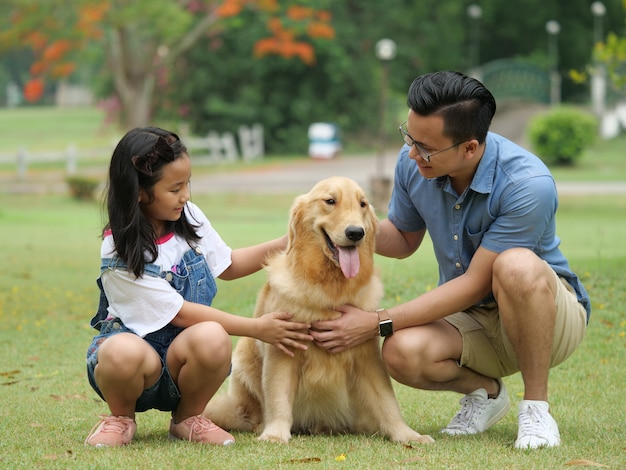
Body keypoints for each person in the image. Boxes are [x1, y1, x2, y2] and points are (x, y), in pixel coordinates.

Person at [309, 71, 590, 449]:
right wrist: (336, 226)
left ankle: (536, 409)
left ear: (469, 148)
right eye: (409, 137)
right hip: (473, 317)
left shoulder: (527, 184)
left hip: (547, 316)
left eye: (424, 147)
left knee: (515, 266)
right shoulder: (414, 163)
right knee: (399, 351)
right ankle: (486, 393)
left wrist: (375, 322)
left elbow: (476, 282)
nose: (411, 153)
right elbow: (404, 238)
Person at [85, 127, 313, 448]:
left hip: (185, 361)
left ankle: (187, 418)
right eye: (175, 188)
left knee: (213, 336)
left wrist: (288, 242)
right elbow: (178, 312)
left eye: (187, 184)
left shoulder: (187, 217)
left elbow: (229, 264)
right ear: (138, 191)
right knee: (121, 351)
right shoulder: (118, 250)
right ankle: (121, 418)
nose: (186, 196)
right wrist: (257, 328)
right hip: (137, 364)